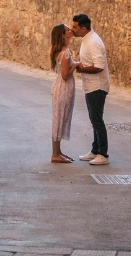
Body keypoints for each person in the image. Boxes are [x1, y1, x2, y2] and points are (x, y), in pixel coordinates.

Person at [70, 13, 109, 165]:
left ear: (83, 28)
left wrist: (81, 68)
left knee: (97, 120)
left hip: (97, 87)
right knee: (94, 119)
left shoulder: (93, 42)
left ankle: (103, 154)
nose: (72, 30)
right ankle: (95, 150)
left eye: (75, 27)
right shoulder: (87, 40)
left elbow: (99, 66)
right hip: (90, 86)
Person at [49, 23, 77, 162]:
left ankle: (58, 152)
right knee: (59, 119)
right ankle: (55, 154)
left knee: (59, 118)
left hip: (60, 86)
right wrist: (76, 65)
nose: (71, 30)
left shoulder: (60, 50)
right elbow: (65, 75)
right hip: (63, 87)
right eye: (67, 30)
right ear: (63, 35)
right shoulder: (65, 53)